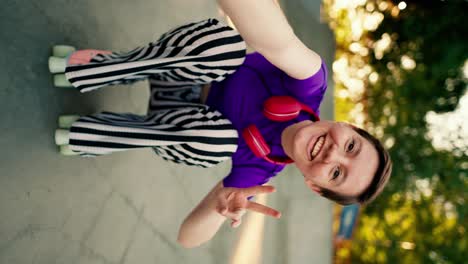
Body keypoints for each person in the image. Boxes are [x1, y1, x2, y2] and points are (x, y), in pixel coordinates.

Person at [49, 0, 392, 248]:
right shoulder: (307, 83)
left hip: (169, 125)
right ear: (346, 126)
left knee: (215, 140)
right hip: (177, 66)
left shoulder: (259, 172)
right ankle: (110, 69)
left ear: (314, 186)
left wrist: (219, 208)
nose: (333, 153)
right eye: (350, 146)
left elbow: (187, 238)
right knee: (225, 47)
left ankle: (104, 131)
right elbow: (277, 40)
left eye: (336, 174)